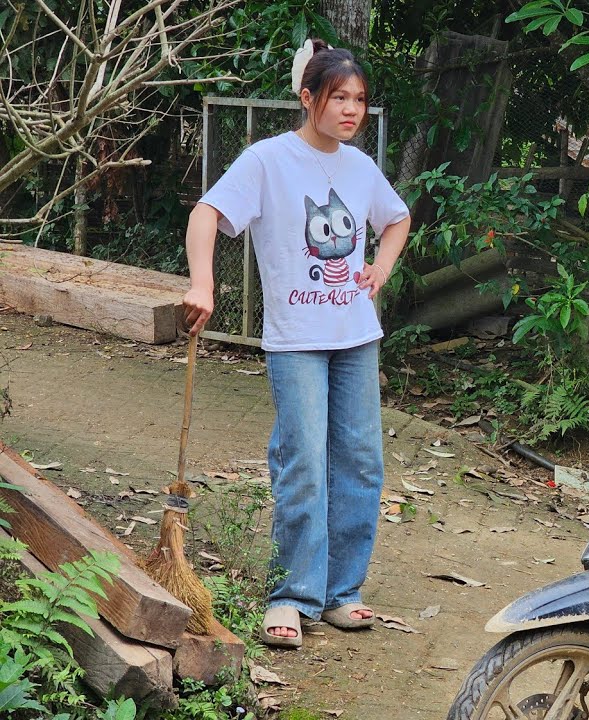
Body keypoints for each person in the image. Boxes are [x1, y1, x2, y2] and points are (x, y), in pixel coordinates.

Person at [181, 39, 412, 649]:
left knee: (361, 462)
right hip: (295, 342)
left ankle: (341, 592)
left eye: (360, 100)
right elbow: (206, 213)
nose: (352, 110)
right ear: (308, 98)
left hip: (357, 337)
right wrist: (203, 284)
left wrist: (381, 268)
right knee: (304, 463)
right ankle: (290, 595)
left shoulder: (361, 168)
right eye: (339, 97)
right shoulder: (266, 160)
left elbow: (397, 218)